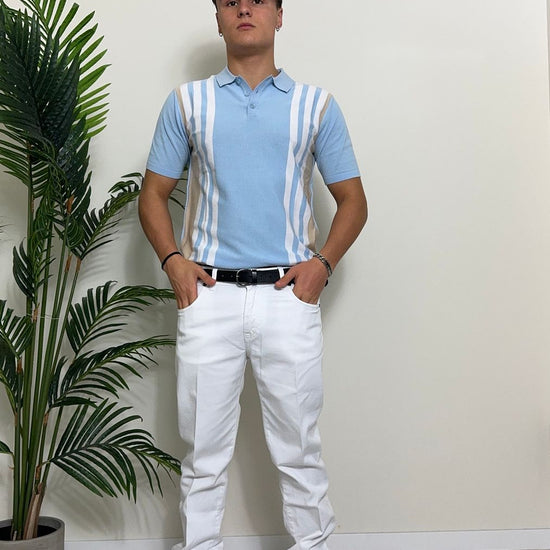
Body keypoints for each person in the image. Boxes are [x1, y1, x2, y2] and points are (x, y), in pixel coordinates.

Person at [138, 1, 367, 548]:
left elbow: (353, 201)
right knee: (203, 453)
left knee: (299, 449)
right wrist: (173, 263)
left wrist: (322, 265)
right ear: (218, 18)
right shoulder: (187, 102)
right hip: (208, 296)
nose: (245, 7)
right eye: (230, 1)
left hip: (288, 298)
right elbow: (152, 194)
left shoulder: (316, 105)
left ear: (280, 15)